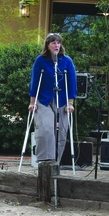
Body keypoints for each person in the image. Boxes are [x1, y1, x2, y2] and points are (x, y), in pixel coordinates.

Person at [28, 33, 77, 163]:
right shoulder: (41, 60)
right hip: (44, 99)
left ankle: (56, 162)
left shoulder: (67, 61)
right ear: (48, 46)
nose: (56, 45)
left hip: (61, 100)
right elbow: (35, 82)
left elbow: (72, 83)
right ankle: (45, 161)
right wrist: (32, 102)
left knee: (61, 132)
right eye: (53, 43)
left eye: (58, 43)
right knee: (46, 129)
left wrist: (70, 103)